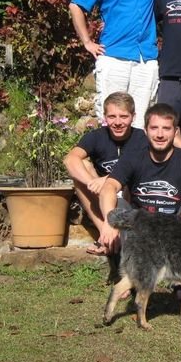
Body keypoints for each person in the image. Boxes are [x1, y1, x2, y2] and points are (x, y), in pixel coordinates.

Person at [69, 0, 170, 128]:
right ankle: (111, 160)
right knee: (112, 120)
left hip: (146, 60)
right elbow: (76, 6)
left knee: (141, 121)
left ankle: (137, 159)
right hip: (114, 56)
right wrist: (87, 42)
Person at [98, 104, 181, 254]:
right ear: (145, 131)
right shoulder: (132, 157)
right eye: (154, 128)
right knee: (117, 206)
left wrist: (179, 224)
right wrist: (109, 220)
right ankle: (131, 263)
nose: (160, 134)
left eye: (166, 128)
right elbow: (109, 187)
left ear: (176, 132)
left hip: (176, 231)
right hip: (140, 229)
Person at [63, 92, 148, 255]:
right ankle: (105, 234)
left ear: (133, 116)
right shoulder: (96, 137)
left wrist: (107, 180)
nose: (117, 122)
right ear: (104, 117)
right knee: (83, 166)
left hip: (131, 197)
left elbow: (144, 168)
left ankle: (111, 239)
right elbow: (70, 160)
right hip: (103, 200)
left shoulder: (142, 138)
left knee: (138, 170)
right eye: (112, 116)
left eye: (123, 116)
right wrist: (91, 183)